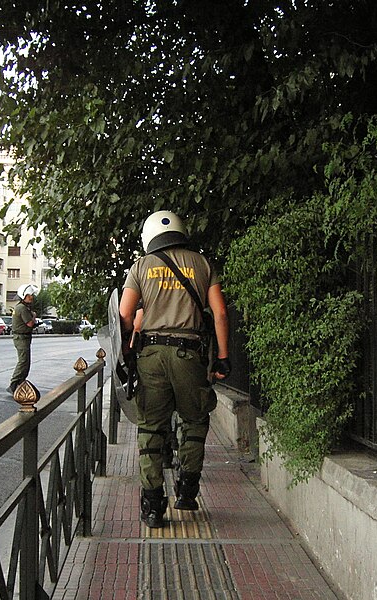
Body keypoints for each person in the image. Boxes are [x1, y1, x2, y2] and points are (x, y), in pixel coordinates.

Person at [119, 210, 231, 528]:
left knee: (151, 427)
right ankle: (187, 491)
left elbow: (125, 315)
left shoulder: (141, 266)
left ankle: (154, 507)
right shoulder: (202, 263)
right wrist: (223, 356)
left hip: (151, 355)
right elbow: (220, 313)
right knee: (194, 420)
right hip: (190, 355)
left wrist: (126, 351)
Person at [8, 284, 38, 394]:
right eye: (29, 295)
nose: (32, 297)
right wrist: (34, 316)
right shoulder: (22, 308)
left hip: (23, 337)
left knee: (26, 362)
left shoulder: (21, 307)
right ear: (23, 296)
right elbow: (30, 323)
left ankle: (21, 383)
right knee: (23, 361)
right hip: (21, 337)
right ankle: (14, 384)